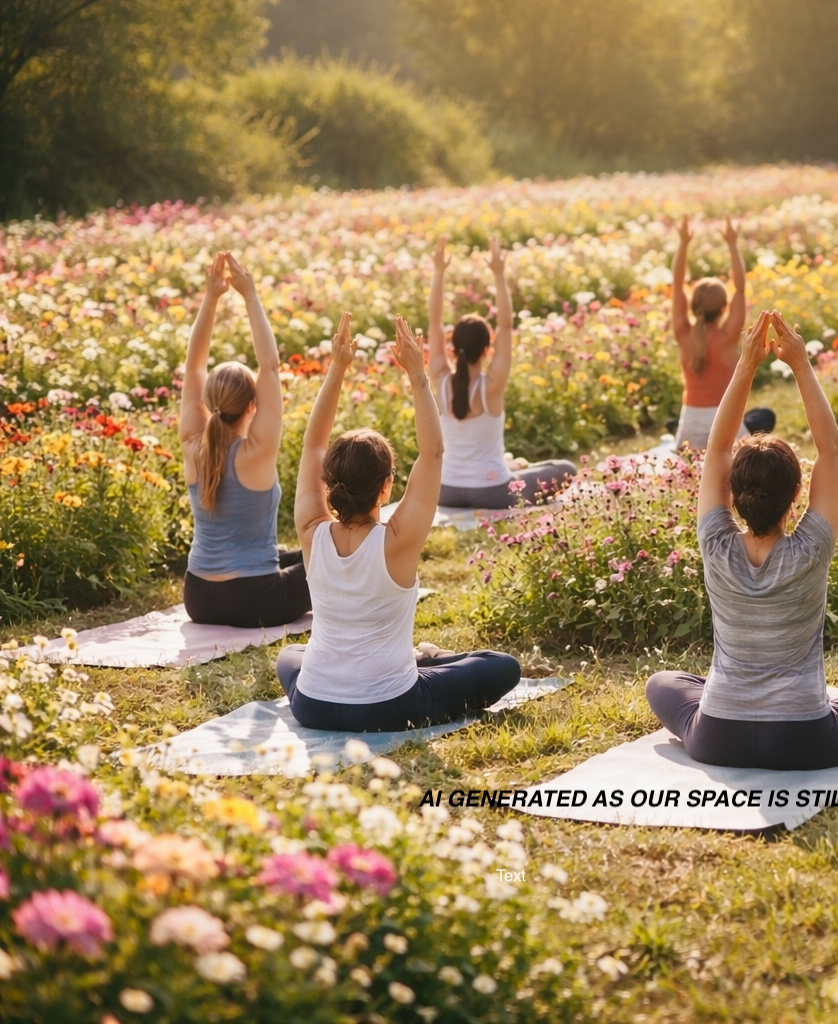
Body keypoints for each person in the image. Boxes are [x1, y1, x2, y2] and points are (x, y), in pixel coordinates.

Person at [646, 310, 838, 770]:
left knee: (662, 682)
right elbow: (831, 451)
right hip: (805, 741)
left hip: (717, 736)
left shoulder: (715, 544)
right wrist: (800, 364)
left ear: (732, 497)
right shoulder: (809, 550)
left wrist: (745, 365)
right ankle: (835, 711)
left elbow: (717, 449)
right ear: (797, 494)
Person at [277, 313, 520, 732]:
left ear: (329, 483)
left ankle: (419, 659)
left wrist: (336, 367)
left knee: (289, 657)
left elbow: (313, 443)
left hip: (312, 704)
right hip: (389, 707)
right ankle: (429, 659)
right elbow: (432, 454)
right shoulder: (397, 540)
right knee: (502, 666)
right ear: (387, 487)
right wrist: (417, 375)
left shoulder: (311, 530)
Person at [180, 252, 311, 628]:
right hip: (256, 600)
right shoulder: (256, 452)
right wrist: (250, 295)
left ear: (208, 402)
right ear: (252, 405)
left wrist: (211, 297)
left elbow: (193, 367)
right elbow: (269, 366)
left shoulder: (193, 445)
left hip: (198, 597)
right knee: (328, 554)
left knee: (289, 554)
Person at [427, 238, 576, 508]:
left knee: (513, 466)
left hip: (446, 490)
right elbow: (505, 326)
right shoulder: (491, 385)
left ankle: (511, 465)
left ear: (452, 348)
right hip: (493, 492)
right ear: (486, 349)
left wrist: (439, 272)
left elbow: (434, 321)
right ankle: (510, 467)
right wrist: (498, 273)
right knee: (564, 468)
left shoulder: (440, 378)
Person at [670, 216, 775, 450]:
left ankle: (674, 428)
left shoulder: (682, 333)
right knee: (764, 417)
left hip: (689, 432)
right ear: (723, 308)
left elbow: (677, 285)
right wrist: (732, 243)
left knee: (755, 417)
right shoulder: (727, 337)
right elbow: (740, 287)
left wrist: (683, 243)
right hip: (725, 429)